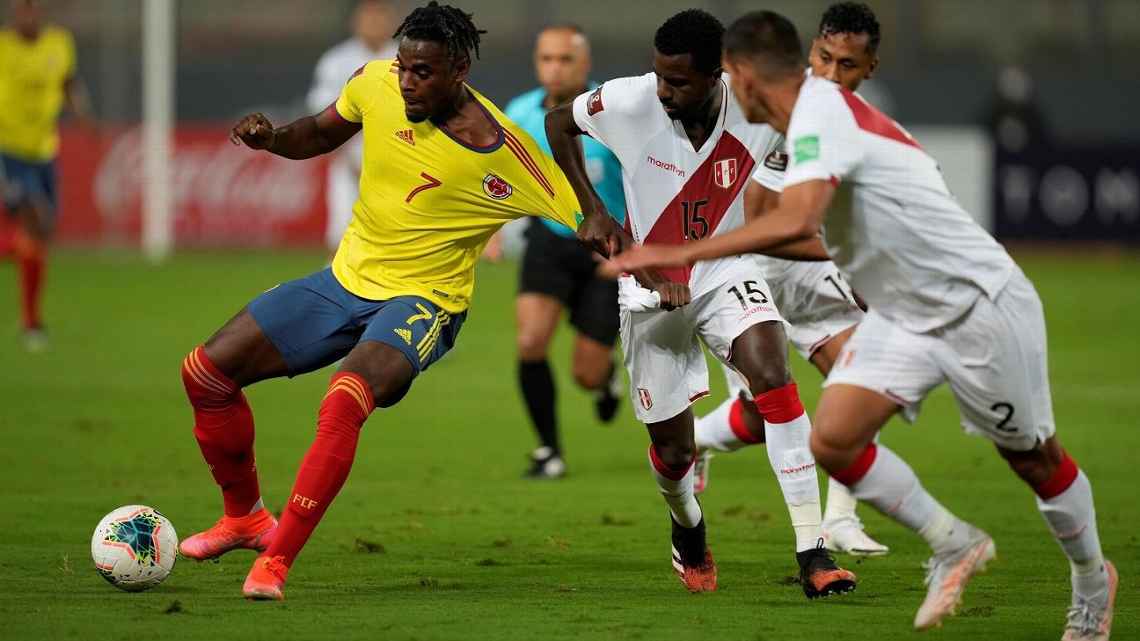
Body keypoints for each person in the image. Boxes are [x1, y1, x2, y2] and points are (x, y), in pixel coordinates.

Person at [614, 11, 1117, 638]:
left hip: (978, 303)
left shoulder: (822, 112)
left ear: (739, 76)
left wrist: (683, 250)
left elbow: (797, 221)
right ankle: (952, 542)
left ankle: (1093, 586)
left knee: (1035, 461)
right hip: (905, 312)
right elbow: (786, 221)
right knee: (833, 440)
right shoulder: (795, 123)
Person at [176, 2, 624, 601]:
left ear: (459, 69)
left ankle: (276, 562)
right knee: (205, 373)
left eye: (423, 73)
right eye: (404, 66)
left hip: (425, 301)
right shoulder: (377, 82)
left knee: (343, 401)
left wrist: (636, 251)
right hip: (343, 282)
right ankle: (245, 520)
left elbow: (590, 221)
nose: (406, 82)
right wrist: (273, 140)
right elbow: (318, 132)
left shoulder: (503, 151)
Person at [545, 9, 855, 598]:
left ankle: (812, 552)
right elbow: (558, 121)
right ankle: (688, 529)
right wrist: (592, 207)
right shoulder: (630, 100)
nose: (665, 91)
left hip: (724, 268)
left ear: (719, 75)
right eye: (660, 76)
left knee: (773, 377)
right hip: (646, 286)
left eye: (680, 81)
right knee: (673, 450)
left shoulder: (755, 106)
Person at [693, 1, 888, 558]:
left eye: (848, 65)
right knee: (759, 418)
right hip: (753, 269)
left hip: (812, 275)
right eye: (824, 58)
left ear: (869, 67)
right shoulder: (783, 109)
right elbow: (762, 221)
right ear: (809, 53)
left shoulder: (853, 121)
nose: (832, 74)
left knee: (863, 384)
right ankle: (699, 442)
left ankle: (841, 519)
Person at [501, 24, 627, 479]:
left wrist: (633, 250)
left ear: (585, 64)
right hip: (550, 242)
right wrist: (491, 231)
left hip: (608, 254)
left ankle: (606, 379)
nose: (555, 68)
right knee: (531, 342)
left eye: (565, 59)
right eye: (547, 59)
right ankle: (548, 450)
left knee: (586, 375)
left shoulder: (614, 111)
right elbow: (497, 178)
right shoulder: (519, 113)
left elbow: (644, 181)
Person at [0, 0, 92, 351]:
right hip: (9, 150)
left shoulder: (59, 42)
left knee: (40, 235)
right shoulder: (3, 47)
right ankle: (31, 322)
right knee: (34, 220)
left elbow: (69, 84)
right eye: (19, 9)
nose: (26, 14)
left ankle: (31, 320)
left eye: (31, 8)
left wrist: (83, 115)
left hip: (44, 150)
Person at [307, 0, 397, 253]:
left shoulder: (405, 57)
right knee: (340, 237)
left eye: (380, 17)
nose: (374, 24)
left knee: (392, 239)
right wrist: (347, 157)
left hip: (397, 165)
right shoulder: (336, 61)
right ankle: (333, 291)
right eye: (368, 18)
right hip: (349, 165)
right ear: (355, 22)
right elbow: (322, 114)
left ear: (391, 22)